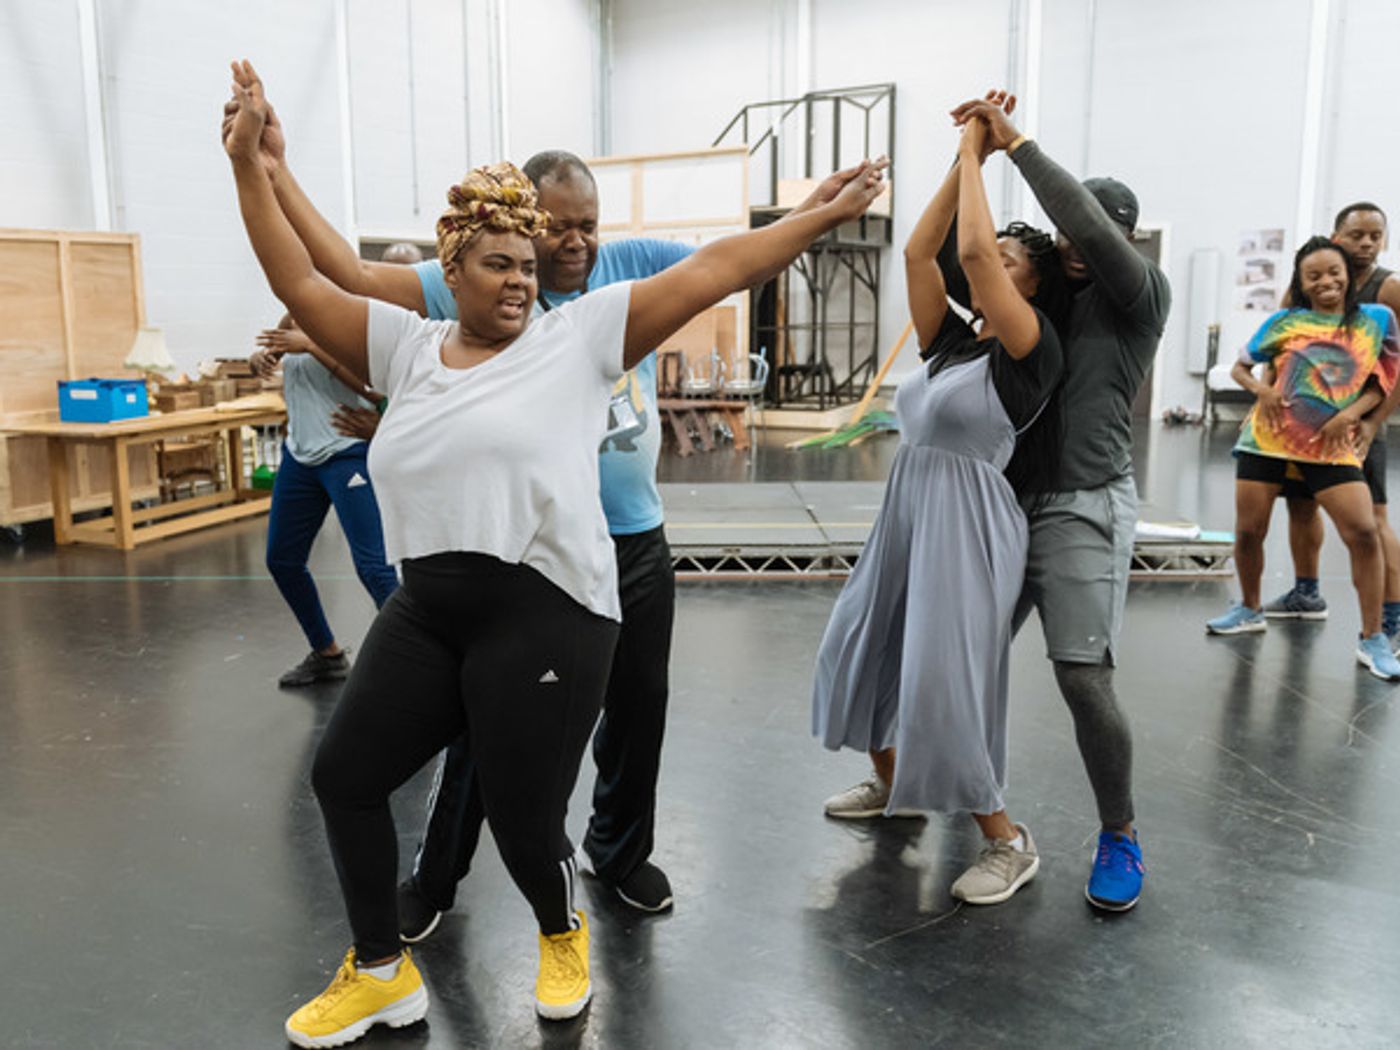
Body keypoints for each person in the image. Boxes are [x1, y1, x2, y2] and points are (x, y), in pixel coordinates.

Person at [225, 60, 884, 1047]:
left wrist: (814, 219)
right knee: (346, 777)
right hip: (430, 608)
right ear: (453, 274)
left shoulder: (576, 339)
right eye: (502, 264)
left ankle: (558, 927)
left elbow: (717, 269)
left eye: (528, 266)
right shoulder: (406, 346)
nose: (523, 279)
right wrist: (253, 164)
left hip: (550, 612)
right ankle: (378, 972)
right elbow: (298, 278)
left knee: (527, 822)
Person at [815, 113, 1065, 907]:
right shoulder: (952, 344)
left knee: (944, 678)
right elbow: (923, 252)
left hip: (970, 521)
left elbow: (968, 251)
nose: (994, 262)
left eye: (1012, 259)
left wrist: (973, 153)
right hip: (908, 509)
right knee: (863, 645)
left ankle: (1006, 839)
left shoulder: (1031, 347)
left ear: (1030, 282)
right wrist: (958, 167)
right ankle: (900, 787)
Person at [950, 90, 1170, 912]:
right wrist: (968, 156)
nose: (1079, 243)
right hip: (1005, 506)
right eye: (1070, 237)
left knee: (1083, 679)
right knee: (955, 653)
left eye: (1098, 232)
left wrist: (1018, 146)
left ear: (1121, 238)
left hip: (1084, 506)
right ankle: (932, 786)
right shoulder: (1040, 301)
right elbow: (965, 261)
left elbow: (1083, 221)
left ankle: (1121, 833)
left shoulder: (1140, 297)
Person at [1205, 236, 1400, 679]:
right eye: (1314, 275)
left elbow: (1383, 381)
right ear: (1302, 281)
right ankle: (1249, 608)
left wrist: (1350, 416)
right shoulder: (1285, 320)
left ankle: (1372, 639)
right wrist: (1262, 391)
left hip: (1331, 447)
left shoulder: (1377, 320)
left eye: (1334, 271)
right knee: (1250, 531)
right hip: (1267, 440)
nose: (1326, 281)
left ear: (1348, 275)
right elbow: (1240, 365)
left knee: (1364, 532)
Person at [1263, 202, 1400, 638]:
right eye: (1357, 234)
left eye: (1375, 236)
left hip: (1356, 425)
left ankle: (1391, 617)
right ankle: (1306, 594)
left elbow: (1396, 367)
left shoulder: (1388, 290)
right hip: (1302, 428)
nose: (1367, 243)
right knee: (1300, 506)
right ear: (1336, 236)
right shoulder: (1305, 287)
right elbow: (1277, 346)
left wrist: (1374, 422)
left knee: (1372, 522)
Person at [249, 316, 398, 687]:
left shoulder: (352, 315)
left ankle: (425, 666)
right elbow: (276, 351)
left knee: (375, 570)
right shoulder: (293, 312)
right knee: (282, 560)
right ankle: (327, 654)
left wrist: (313, 346)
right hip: (300, 455)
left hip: (347, 452)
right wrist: (260, 359)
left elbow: (375, 389)